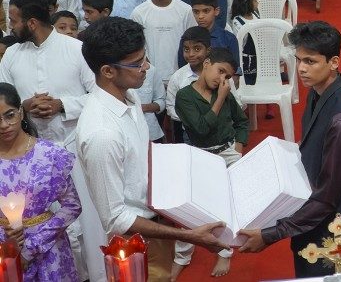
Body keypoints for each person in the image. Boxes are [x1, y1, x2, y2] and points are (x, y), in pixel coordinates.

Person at [76, 17, 229, 281]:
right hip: (133, 244)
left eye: (144, 58)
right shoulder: (103, 133)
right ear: (108, 71)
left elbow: (141, 164)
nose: (147, 67)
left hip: (156, 221)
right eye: (137, 64)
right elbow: (115, 219)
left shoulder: (129, 95)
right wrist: (188, 235)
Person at [237, 21, 341, 280]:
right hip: (309, 216)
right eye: (298, 60)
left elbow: (326, 199)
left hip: (331, 230)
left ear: (334, 62)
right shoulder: (318, 92)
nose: (301, 69)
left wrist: (270, 234)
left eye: (310, 61)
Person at [0, 0, 105, 281]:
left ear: (31, 22)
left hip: (73, 148)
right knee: (36, 228)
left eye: (14, 20)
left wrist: (62, 105)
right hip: (27, 157)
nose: (10, 27)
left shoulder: (75, 49)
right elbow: (2, 99)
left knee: (86, 224)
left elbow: (100, 95)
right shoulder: (11, 56)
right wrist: (24, 106)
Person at [172, 47, 247, 279]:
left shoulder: (224, 91)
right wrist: (221, 98)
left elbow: (242, 122)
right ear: (206, 64)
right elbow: (201, 129)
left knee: (230, 204)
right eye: (220, 71)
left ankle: (225, 252)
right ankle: (181, 257)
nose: (222, 79)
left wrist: (237, 149)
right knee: (188, 207)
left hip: (227, 151)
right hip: (199, 154)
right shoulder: (185, 96)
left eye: (227, 76)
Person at [0, 82, 82, 281]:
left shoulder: (49, 155)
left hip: (49, 249)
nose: (3, 125)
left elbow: (72, 206)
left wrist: (31, 246)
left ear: (20, 111)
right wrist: (8, 246)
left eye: (9, 115)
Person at [131, 0, 197, 87]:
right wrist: (151, 75)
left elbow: (193, 43)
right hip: (150, 79)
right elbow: (137, 48)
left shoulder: (185, 10)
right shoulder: (139, 13)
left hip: (182, 77)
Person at [165, 25, 211, 142]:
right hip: (191, 134)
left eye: (197, 49)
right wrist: (191, 118)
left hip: (219, 131)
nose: (190, 54)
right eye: (186, 49)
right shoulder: (178, 77)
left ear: (208, 50)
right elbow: (170, 107)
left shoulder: (220, 72)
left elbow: (237, 103)